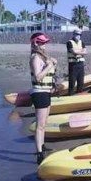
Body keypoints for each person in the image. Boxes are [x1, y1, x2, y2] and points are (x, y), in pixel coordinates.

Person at [29, 32, 57, 165]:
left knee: (44, 124)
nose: (44, 45)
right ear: (35, 43)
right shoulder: (35, 57)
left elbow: (48, 73)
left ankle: (43, 146)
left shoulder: (43, 56)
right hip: (39, 93)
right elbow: (37, 77)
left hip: (46, 92)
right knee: (40, 126)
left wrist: (52, 64)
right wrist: (49, 66)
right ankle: (39, 154)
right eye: (41, 42)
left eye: (45, 42)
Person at [66, 28, 87, 95]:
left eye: (80, 34)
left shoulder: (82, 42)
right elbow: (74, 52)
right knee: (72, 82)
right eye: (77, 34)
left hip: (80, 64)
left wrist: (78, 52)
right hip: (73, 64)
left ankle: (79, 95)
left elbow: (86, 52)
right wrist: (81, 51)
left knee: (81, 82)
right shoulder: (69, 42)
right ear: (74, 34)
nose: (79, 36)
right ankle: (70, 95)